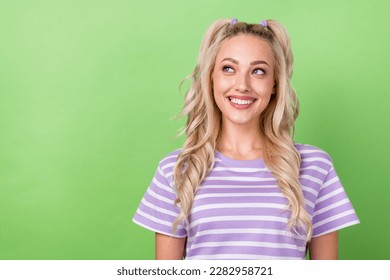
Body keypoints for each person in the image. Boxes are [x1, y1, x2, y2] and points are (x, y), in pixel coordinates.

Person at [132, 18, 359, 260]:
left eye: (258, 71)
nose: (242, 85)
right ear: (211, 78)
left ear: (274, 84)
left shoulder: (314, 165)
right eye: (229, 68)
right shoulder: (176, 169)